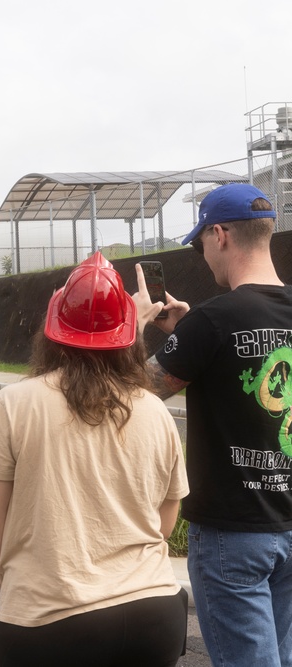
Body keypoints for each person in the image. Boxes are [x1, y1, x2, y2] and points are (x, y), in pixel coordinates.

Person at [0, 251, 189, 666]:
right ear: (129, 335)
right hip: (154, 613)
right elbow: (165, 518)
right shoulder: (154, 409)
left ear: (51, 330)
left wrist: (20, 591)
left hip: (51, 620)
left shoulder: (14, 404)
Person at [134, 182, 292, 667]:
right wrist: (186, 333)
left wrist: (136, 328)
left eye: (201, 241)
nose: (203, 255)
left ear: (220, 234)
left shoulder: (215, 319)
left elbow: (135, 392)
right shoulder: (209, 324)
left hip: (232, 532)